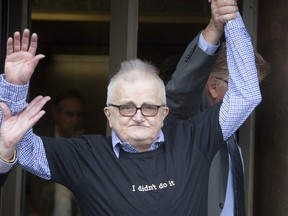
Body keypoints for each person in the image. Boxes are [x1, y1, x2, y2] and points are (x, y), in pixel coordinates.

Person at [0, 3, 261, 215]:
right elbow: (22, 146)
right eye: (126, 107)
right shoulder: (86, 155)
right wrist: (14, 86)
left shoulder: (193, 139)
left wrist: (231, 19)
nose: (137, 116)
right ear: (108, 114)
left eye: (149, 107)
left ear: (164, 113)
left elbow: (246, 95)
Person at [161, 42, 270, 216]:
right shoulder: (189, 124)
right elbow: (180, 92)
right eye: (243, 90)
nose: (251, 98)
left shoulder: (230, 135)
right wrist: (213, 31)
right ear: (213, 87)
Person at [26, 89, 84, 216]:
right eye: (70, 114)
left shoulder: (86, 146)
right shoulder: (38, 142)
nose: (75, 120)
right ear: (56, 114)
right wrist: (30, 211)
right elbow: (19, 185)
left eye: (79, 115)